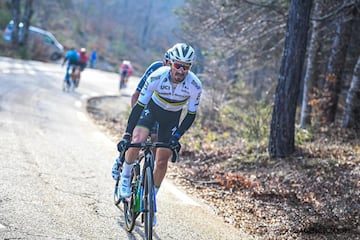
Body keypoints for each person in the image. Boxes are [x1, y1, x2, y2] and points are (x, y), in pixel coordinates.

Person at [113, 43, 202, 225]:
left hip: (171, 118)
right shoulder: (157, 76)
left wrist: (176, 138)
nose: (181, 70)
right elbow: (138, 106)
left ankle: (151, 199)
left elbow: (190, 116)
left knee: (162, 160)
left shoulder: (194, 85)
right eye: (178, 65)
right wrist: (127, 135)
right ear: (171, 64)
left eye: (186, 67)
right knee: (137, 140)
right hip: (150, 111)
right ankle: (126, 176)